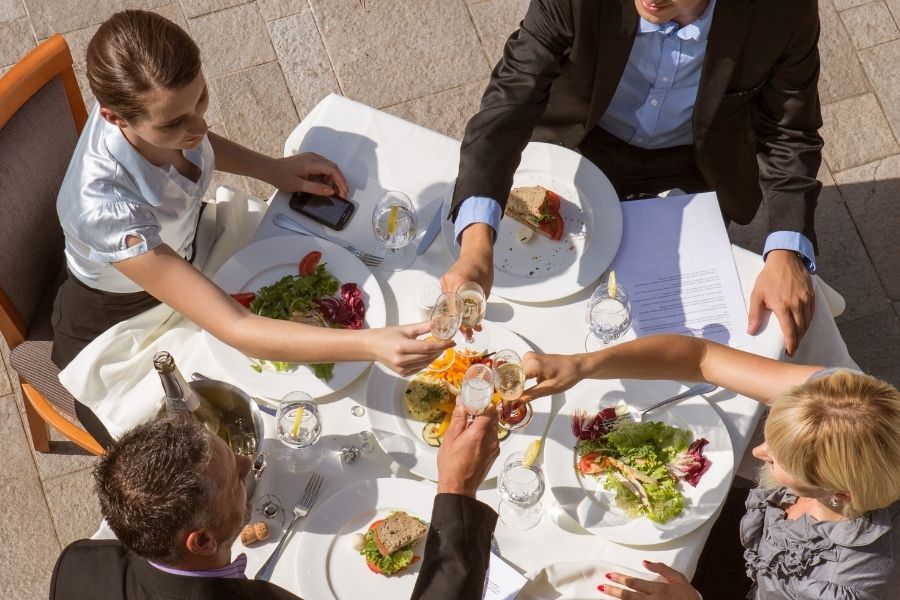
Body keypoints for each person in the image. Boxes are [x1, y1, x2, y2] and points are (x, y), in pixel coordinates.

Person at [52, 11, 448, 400]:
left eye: (201, 99)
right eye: (173, 123)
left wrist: (272, 170)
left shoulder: (153, 116)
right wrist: (371, 345)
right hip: (128, 323)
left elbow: (195, 142)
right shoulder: (104, 209)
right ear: (113, 118)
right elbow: (238, 327)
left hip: (191, 252)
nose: (200, 127)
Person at [442, 0, 823, 356]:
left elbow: (791, 133)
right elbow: (510, 99)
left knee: (686, 327)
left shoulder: (783, 11)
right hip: (583, 142)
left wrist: (787, 252)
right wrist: (476, 247)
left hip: (696, 162)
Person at [520, 335, 900, 600]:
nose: (759, 453)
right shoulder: (841, 406)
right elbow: (701, 358)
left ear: (839, 493)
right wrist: (582, 364)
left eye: (779, 458)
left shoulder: (845, 585)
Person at [50, 403, 501, 600]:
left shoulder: (76, 565)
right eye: (233, 480)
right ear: (202, 540)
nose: (249, 464)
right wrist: (458, 492)